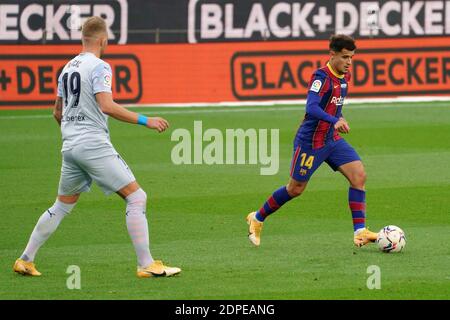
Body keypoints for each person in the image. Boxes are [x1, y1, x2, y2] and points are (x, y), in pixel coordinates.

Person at [13, 16, 181, 278]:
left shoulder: (67, 68)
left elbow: (57, 112)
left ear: (83, 38)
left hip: (70, 146)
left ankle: (25, 259)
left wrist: (72, 135)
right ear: (103, 40)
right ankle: (146, 264)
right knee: (137, 198)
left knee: (61, 206)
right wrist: (147, 120)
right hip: (92, 144)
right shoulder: (100, 66)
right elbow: (106, 105)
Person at [246, 35, 378, 247]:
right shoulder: (321, 77)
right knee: (295, 189)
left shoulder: (345, 78)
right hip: (310, 143)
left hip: (331, 139)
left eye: (351, 58)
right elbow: (312, 107)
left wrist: (339, 117)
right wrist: (335, 120)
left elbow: (335, 105)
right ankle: (258, 218)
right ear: (332, 54)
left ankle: (360, 231)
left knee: (359, 176)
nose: (349, 62)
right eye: (345, 57)